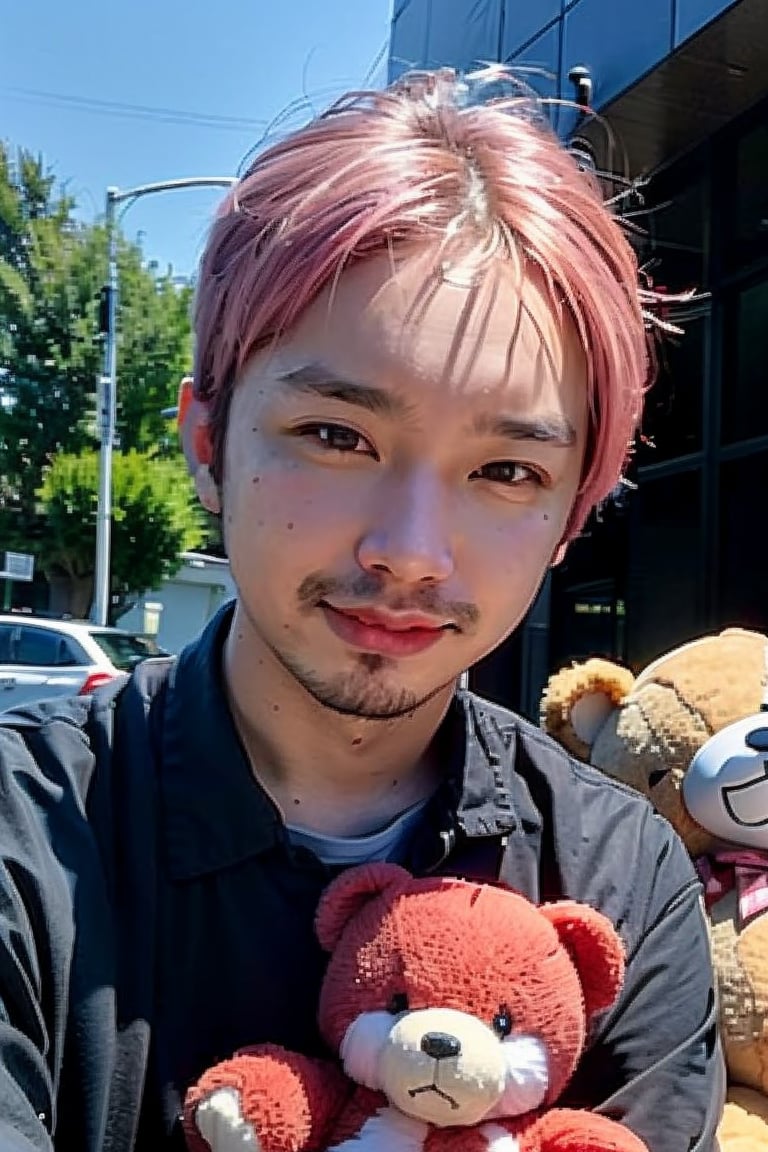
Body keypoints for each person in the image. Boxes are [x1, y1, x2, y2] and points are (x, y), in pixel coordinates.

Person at [0, 68, 723, 1152]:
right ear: (209, 442)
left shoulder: (621, 876)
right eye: (337, 436)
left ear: (573, 515)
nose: (411, 553)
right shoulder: (29, 838)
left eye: (507, 471)